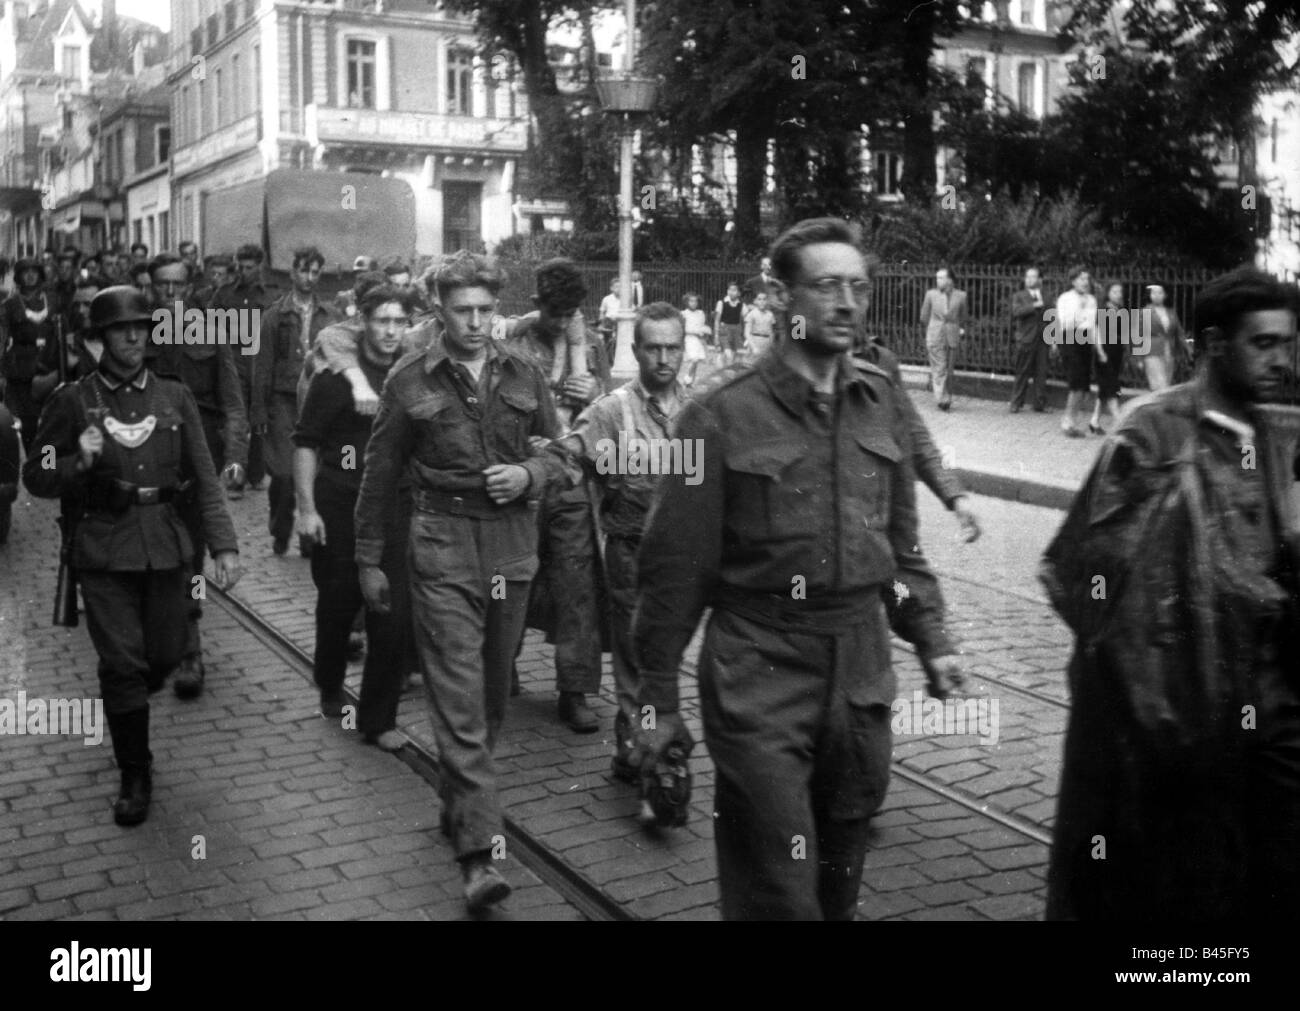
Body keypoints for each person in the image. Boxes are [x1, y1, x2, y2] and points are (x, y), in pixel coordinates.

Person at [632, 218, 963, 920]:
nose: (846, 302)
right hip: (759, 673)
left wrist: (932, 640)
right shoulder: (715, 416)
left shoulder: (883, 397)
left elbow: (899, 556)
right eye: (825, 286)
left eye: (858, 286)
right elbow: (671, 574)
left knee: (837, 887)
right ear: (783, 298)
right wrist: (656, 703)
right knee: (779, 890)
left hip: (860, 674)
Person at [1041, 266, 1300, 921]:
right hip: (1172, 722)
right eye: (1263, 344)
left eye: (1288, 344)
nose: (1282, 360)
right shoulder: (1151, 432)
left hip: (1262, 710)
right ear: (1215, 343)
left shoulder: (1273, 434)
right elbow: (1082, 578)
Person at [354, 251, 567, 912]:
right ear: (439, 310)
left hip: (509, 548)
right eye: (462, 309)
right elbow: (380, 469)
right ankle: (478, 855)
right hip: (440, 547)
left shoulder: (524, 371)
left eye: (485, 309)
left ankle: (459, 800)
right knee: (459, 700)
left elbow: (563, 453)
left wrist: (530, 476)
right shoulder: (409, 378)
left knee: (493, 695)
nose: (475, 322)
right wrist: (368, 557)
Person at [21, 286, 241, 827]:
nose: (134, 336)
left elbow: (206, 477)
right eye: (122, 329)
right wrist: (77, 460)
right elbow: (37, 474)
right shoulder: (73, 401)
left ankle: (125, 706)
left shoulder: (174, 396)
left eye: (141, 327)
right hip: (102, 550)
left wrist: (225, 544)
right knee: (122, 665)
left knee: (166, 655)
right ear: (99, 339)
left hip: (166, 544)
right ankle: (134, 773)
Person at [549, 302, 689, 780]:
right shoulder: (613, 412)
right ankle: (637, 747)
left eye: (673, 347)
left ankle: (644, 740)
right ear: (636, 350)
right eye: (654, 348)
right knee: (636, 657)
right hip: (630, 553)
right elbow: (570, 454)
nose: (664, 358)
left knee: (665, 656)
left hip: (684, 561)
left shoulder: (698, 411)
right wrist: (542, 460)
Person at [294, 285, 413, 749]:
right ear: (362, 321)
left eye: (398, 321)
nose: (389, 331)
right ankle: (329, 685)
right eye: (381, 320)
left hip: (394, 505)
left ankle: (378, 720)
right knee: (340, 604)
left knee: (393, 611)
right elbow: (305, 442)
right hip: (340, 501)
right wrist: (306, 510)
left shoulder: (410, 373)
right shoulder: (335, 378)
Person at [502, 258, 611, 733]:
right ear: (536, 304)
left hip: (569, 481)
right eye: (554, 311)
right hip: (522, 481)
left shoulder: (593, 345)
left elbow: (608, 408)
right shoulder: (510, 344)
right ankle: (501, 664)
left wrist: (595, 387)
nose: (562, 321)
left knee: (576, 583)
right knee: (507, 581)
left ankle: (574, 690)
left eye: (570, 313)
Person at [146, 254, 249, 699]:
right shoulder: (137, 328)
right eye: (162, 287)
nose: (171, 296)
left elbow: (233, 402)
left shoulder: (212, 329)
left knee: (192, 556)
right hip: (147, 455)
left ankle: (190, 650)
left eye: (178, 286)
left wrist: (236, 458)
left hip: (197, 457)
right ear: (151, 289)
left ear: (192, 287)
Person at [255, 246, 336, 556]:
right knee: (284, 474)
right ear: (292, 273)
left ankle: (307, 537)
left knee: (313, 471)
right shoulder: (275, 315)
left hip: (315, 401)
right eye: (304, 271)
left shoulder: (329, 315)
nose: (309, 278)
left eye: (315, 272)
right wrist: (259, 412)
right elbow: (262, 365)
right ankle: (279, 528)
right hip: (282, 403)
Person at [211, 244, 278, 494]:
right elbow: (211, 330)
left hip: (262, 364)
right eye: (239, 266)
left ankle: (257, 473)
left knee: (260, 418)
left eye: (249, 267)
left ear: (259, 266)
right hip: (234, 363)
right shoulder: (224, 295)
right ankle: (234, 477)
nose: (243, 272)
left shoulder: (271, 295)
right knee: (236, 421)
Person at [1, 257, 57, 452]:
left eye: (35, 271)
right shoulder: (10, 305)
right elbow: (2, 337)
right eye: (26, 271)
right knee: (25, 424)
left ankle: (47, 467)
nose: (31, 275)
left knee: (50, 423)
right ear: (18, 276)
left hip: (49, 369)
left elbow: (64, 331)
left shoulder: (52, 300)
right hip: (21, 371)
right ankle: (28, 468)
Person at [1054, 266, 1099, 438]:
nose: (1085, 282)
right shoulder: (1065, 298)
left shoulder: (1092, 300)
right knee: (1076, 383)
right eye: (1081, 279)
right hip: (1070, 340)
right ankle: (1068, 422)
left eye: (1087, 279)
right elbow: (1065, 323)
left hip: (1085, 341)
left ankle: (1071, 419)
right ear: (1073, 281)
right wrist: (1080, 312)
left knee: (1084, 386)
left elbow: (1091, 323)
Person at [919, 266, 966, 411]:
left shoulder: (961, 296)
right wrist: (933, 329)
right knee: (939, 367)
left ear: (950, 280)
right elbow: (923, 317)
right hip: (935, 335)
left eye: (941, 277)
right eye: (937, 277)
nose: (937, 280)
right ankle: (942, 398)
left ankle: (947, 396)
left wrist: (959, 328)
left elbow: (963, 316)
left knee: (949, 369)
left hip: (952, 335)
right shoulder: (931, 294)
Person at [1009, 266, 1051, 413]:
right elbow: (1016, 312)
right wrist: (1033, 305)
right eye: (1027, 277)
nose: (1029, 279)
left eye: (1033, 277)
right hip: (1026, 339)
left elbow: (1052, 317)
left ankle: (1039, 404)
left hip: (1043, 339)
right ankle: (1016, 403)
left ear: (1040, 279)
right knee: (1022, 371)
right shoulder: (1019, 295)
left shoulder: (1046, 295)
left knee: (1041, 372)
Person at [1090, 280, 1128, 435]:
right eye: (1114, 292)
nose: (1118, 295)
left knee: (1105, 388)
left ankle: (1094, 421)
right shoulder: (1102, 309)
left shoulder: (1120, 309)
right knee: (1112, 387)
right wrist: (1100, 352)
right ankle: (1121, 425)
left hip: (1116, 353)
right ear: (1107, 293)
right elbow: (1095, 332)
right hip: (1103, 353)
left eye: (1120, 292)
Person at [1139, 283, 1189, 391]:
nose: (1156, 295)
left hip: (1169, 351)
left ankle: (1155, 406)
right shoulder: (1145, 311)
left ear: (1165, 295)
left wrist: (1188, 349)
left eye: (1160, 293)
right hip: (1151, 351)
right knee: (1160, 384)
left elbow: (1179, 333)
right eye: (1154, 293)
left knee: (1166, 381)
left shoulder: (1171, 312)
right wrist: (1138, 358)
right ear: (1150, 295)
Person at [714, 282, 745, 367]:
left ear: (739, 293)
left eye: (734, 290)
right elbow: (717, 320)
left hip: (736, 333)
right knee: (728, 355)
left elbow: (745, 319)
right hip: (724, 332)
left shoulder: (741, 305)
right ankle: (723, 373)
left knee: (736, 356)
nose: (731, 292)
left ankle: (727, 372)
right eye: (730, 290)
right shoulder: (722, 303)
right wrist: (716, 335)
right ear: (727, 291)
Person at [743, 290, 776, 360]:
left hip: (766, 343)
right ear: (755, 301)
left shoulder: (770, 314)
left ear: (767, 301)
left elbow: (771, 332)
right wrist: (753, 347)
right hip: (755, 341)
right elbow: (747, 333)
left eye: (764, 299)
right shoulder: (752, 314)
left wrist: (771, 346)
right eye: (759, 299)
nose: (762, 302)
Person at [598, 278, 621, 363]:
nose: (619, 289)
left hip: (620, 323)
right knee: (608, 342)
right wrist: (601, 324)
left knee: (619, 343)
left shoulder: (626, 300)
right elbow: (602, 312)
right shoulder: (606, 299)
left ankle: (617, 360)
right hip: (609, 322)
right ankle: (606, 361)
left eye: (621, 287)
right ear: (611, 288)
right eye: (616, 287)